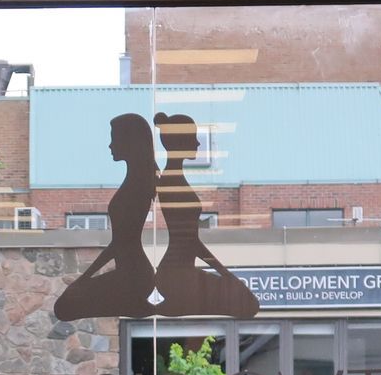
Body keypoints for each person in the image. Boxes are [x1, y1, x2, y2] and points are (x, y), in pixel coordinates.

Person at [151, 113, 259, 317]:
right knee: (246, 303)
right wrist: (225, 274)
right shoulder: (174, 184)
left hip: (179, 273)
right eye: (193, 137)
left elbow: (190, 240)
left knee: (246, 302)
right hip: (176, 276)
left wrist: (225, 275)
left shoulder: (173, 180)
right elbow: (190, 241)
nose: (198, 142)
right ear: (180, 142)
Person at [53, 113, 157, 321]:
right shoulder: (135, 183)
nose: (110, 145)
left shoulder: (137, 186)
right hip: (130, 275)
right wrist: (85, 278)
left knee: (65, 306)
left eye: (114, 138)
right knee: (64, 306)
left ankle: (138, 304)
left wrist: (84, 278)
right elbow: (119, 243)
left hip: (134, 278)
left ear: (129, 142)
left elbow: (121, 243)